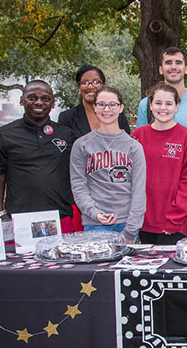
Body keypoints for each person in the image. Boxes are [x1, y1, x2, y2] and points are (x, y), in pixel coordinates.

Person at [0, 80, 78, 232]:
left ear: (53, 103)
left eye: (45, 99)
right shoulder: (4, 135)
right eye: (32, 98)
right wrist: (0, 214)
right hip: (20, 218)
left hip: (60, 216)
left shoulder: (66, 134)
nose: (39, 103)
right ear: (22, 100)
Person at [70, 87, 146, 243]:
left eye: (112, 104)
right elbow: (79, 186)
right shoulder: (82, 145)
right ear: (95, 107)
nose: (107, 109)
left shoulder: (134, 147)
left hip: (126, 223)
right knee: (100, 267)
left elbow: (138, 190)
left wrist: (130, 230)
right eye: (102, 104)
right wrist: (94, 213)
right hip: (95, 222)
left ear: (121, 108)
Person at [131, 83, 187, 245]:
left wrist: (174, 219)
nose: (163, 108)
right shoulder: (137, 136)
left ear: (176, 107)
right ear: (150, 105)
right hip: (144, 220)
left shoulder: (186, 137)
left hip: (175, 223)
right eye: (158, 103)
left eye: (169, 104)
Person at [135, 47, 187, 139]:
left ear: (186, 69)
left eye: (178, 63)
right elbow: (140, 143)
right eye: (168, 63)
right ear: (161, 69)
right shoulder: (146, 105)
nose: (173, 67)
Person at [58, 65, 131, 137]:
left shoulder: (117, 114)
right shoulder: (67, 118)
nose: (90, 86)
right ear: (79, 88)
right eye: (84, 82)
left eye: (96, 82)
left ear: (104, 86)